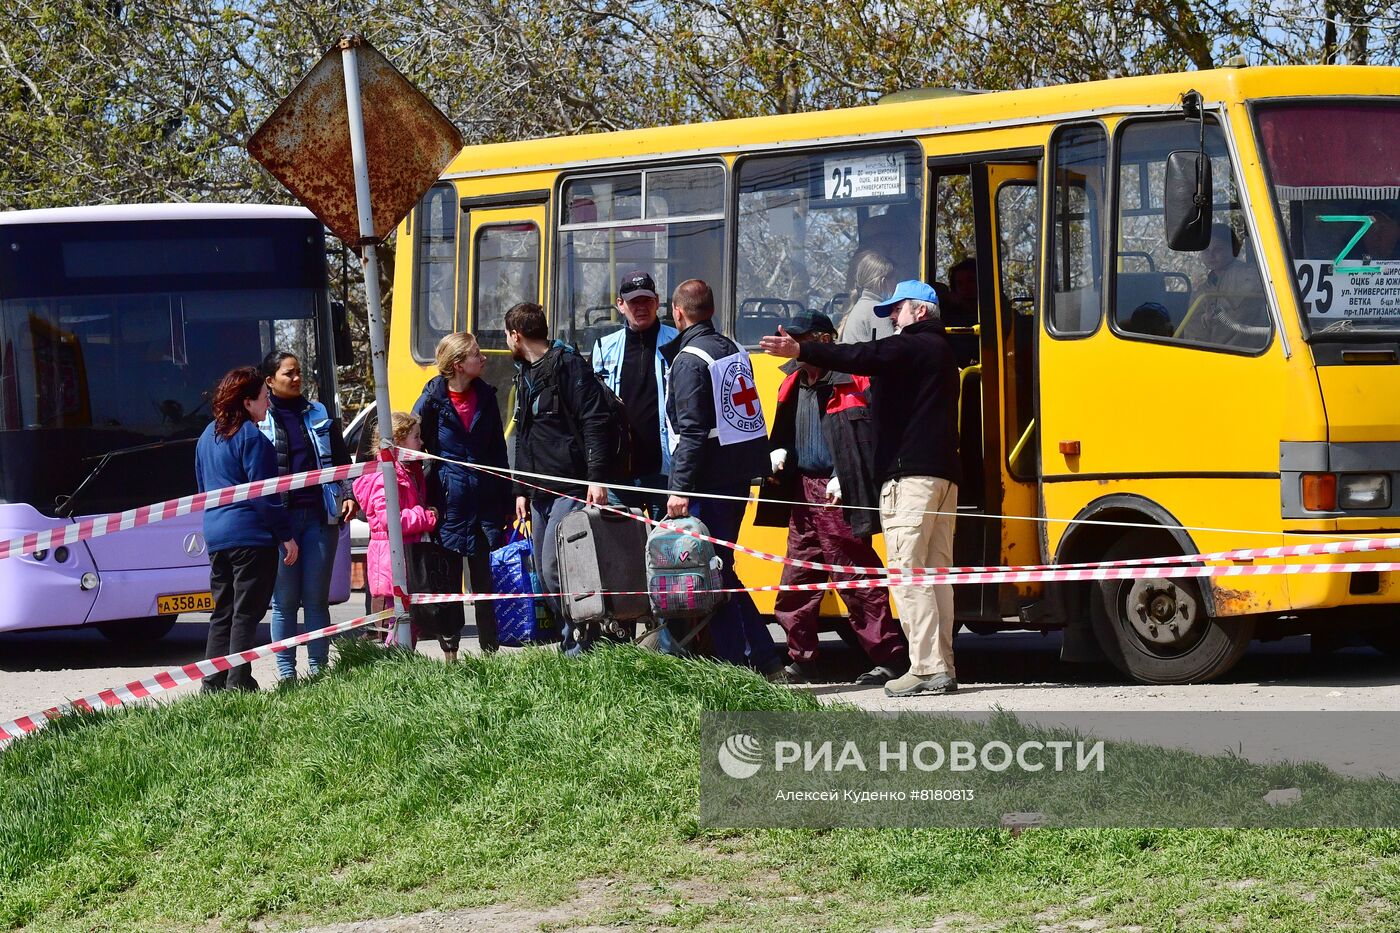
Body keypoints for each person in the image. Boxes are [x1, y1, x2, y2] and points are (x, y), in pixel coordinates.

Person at [759, 280, 961, 697]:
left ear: (919, 311)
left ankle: (916, 665)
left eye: (896, 311)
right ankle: (937, 665)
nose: (889, 320)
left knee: (903, 575)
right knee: (932, 574)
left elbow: (861, 356)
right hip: (923, 478)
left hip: (900, 480)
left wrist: (844, 476)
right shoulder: (938, 351)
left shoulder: (910, 347)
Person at [754, 312, 908, 685]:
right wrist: (776, 452)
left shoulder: (855, 381)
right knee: (796, 579)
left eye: (800, 338)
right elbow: (781, 433)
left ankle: (890, 659)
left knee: (856, 578)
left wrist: (845, 477)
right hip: (803, 494)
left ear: (823, 340)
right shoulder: (790, 383)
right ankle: (801, 660)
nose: (792, 346)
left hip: (838, 493)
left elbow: (871, 438)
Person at [663, 278, 783, 677]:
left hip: (708, 483)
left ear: (678, 313)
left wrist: (679, 489)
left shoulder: (689, 360)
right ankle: (754, 660)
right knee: (721, 569)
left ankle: (748, 662)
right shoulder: (732, 349)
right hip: (736, 479)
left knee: (712, 574)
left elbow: (693, 432)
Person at [505, 302, 613, 650]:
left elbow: (595, 423)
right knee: (543, 571)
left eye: (508, 335)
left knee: (556, 569)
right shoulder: (524, 372)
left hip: (571, 485)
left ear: (516, 335)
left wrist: (596, 478)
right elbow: (523, 433)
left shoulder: (568, 366)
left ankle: (583, 643)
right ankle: (576, 639)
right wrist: (520, 489)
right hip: (537, 492)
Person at [195, 367, 298, 693]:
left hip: (216, 534)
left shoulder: (206, 436)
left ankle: (213, 683)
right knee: (246, 613)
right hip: (250, 537)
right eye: (264, 399)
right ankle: (238, 684)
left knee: (222, 612)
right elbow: (264, 496)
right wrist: (285, 535)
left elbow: (202, 487)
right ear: (247, 401)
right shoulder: (254, 439)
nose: (268, 404)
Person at [257, 351, 355, 681]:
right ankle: (286, 675)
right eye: (289, 373)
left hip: (319, 517)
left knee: (316, 599)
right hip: (280, 523)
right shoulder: (259, 420)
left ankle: (318, 671)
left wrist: (350, 494)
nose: (297, 378)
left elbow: (341, 461)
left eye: (299, 372)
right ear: (270, 381)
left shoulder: (319, 413)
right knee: (284, 602)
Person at [413, 332, 512, 653]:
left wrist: (507, 500)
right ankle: (450, 652)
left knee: (486, 585)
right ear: (458, 365)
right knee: (447, 585)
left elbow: (498, 452)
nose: (483, 359)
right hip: (448, 508)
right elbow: (412, 441)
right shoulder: (431, 401)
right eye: (476, 355)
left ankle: (489, 652)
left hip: (485, 506)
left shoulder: (486, 396)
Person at [351, 412, 443, 651]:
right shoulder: (385, 476)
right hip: (392, 558)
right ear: (399, 440)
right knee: (400, 620)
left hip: (406, 554)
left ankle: (402, 661)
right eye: (416, 437)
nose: (421, 443)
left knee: (409, 621)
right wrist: (427, 517)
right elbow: (389, 520)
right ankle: (397, 662)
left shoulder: (406, 472)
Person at [591, 270, 678, 518]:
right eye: (634, 302)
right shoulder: (602, 348)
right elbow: (593, 416)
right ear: (620, 305)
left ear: (657, 301)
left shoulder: (678, 343)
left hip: (665, 473)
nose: (641, 308)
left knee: (667, 554)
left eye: (647, 301)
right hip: (620, 476)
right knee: (621, 553)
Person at [1179, 223, 1267, 347]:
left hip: (1245, 352)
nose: (1211, 255)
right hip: (1211, 355)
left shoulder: (1248, 274)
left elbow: (1252, 287)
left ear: (1233, 249)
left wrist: (1221, 309)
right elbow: (1194, 332)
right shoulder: (1203, 290)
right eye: (1206, 250)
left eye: (1218, 249)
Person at [839, 250, 897, 344]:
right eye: (894, 279)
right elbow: (891, 351)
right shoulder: (878, 312)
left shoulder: (859, 307)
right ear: (883, 282)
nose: (896, 284)